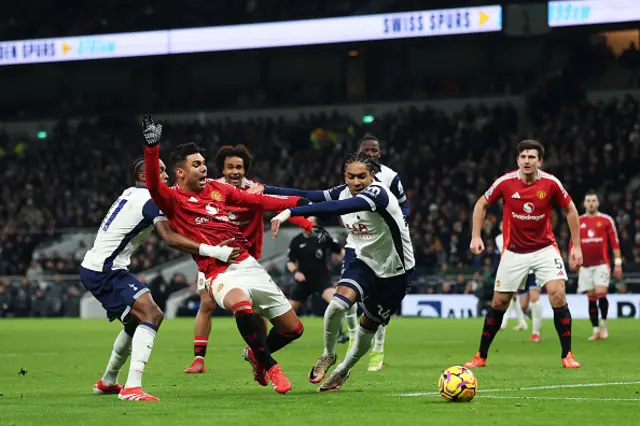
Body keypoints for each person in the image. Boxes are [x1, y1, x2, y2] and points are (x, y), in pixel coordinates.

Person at [141, 115, 308, 394]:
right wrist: (151, 148)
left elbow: (257, 200)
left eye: (204, 163)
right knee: (241, 306)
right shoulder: (171, 198)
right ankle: (270, 365)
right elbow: (153, 185)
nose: (204, 168)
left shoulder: (219, 190)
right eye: (196, 165)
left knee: (294, 329)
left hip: (247, 263)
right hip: (217, 272)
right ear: (180, 173)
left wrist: (300, 203)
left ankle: (255, 354)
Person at [81, 156, 239, 402]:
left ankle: (108, 381)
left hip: (100, 267)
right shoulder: (148, 200)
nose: (166, 176)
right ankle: (132, 387)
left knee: (135, 323)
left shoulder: (132, 193)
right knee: (152, 314)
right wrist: (215, 250)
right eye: (161, 171)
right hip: (106, 270)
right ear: (145, 177)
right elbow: (171, 239)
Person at [268, 151, 415, 391]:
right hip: (363, 261)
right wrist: (265, 189)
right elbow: (306, 194)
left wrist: (291, 212)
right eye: (351, 177)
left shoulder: (378, 193)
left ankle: (343, 370)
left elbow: (336, 206)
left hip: (395, 271)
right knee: (336, 305)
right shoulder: (343, 190)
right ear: (344, 176)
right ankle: (328, 354)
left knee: (369, 324)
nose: (357, 182)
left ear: (373, 175)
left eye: (362, 176)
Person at [184, 144, 316, 374]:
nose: (235, 171)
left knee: (257, 309)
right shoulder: (211, 190)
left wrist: (307, 224)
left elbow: (275, 206)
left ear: (246, 169)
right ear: (222, 170)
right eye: (230, 167)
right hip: (215, 257)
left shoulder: (255, 190)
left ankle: (261, 357)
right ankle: (199, 358)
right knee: (206, 302)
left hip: (246, 259)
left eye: (239, 167)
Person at [463, 139, 583, 369]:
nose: (527, 161)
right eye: (523, 157)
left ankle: (567, 355)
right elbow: (481, 204)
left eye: (532, 157)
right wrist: (476, 235)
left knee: (558, 294)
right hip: (514, 252)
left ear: (540, 161)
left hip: (544, 248)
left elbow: (570, 209)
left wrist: (576, 246)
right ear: (517, 159)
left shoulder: (551, 183)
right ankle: (481, 355)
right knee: (500, 302)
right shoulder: (505, 182)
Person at [350, 136, 410, 371]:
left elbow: (405, 205)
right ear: (358, 151)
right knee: (346, 297)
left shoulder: (391, 176)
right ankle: (354, 340)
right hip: (355, 242)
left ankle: (377, 349)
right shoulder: (352, 174)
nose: (371, 153)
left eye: (375, 150)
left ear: (380, 152)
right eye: (366, 149)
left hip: (383, 244)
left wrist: (399, 223)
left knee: (378, 302)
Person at [574, 191, 622, 340]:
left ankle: (603, 323)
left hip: (602, 264)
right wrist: (572, 257)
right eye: (588, 201)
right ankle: (595, 330)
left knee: (601, 294)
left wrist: (618, 263)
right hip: (585, 266)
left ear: (598, 203)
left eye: (593, 201)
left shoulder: (606, 220)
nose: (591, 203)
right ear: (584, 203)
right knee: (591, 298)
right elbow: (573, 242)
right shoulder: (578, 221)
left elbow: (615, 243)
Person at [287, 216, 344, 313]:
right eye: (306, 223)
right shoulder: (296, 241)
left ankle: (337, 328)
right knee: (289, 310)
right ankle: (285, 328)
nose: (308, 226)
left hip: (321, 279)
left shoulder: (323, 237)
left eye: (312, 223)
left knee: (336, 304)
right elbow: (290, 262)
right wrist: (296, 272)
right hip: (304, 280)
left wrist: (350, 260)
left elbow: (339, 251)